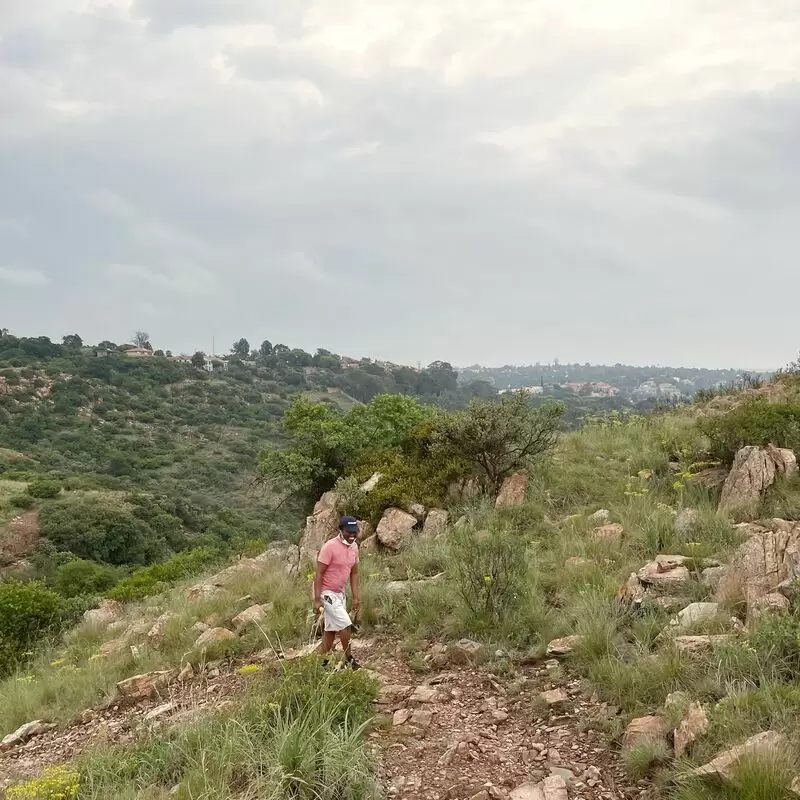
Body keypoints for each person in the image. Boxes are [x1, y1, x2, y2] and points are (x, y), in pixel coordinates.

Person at [313, 515, 361, 668]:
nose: (352, 535)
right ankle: (349, 659)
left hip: (340, 593)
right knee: (345, 624)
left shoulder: (354, 547)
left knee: (330, 631)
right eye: (349, 532)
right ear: (341, 530)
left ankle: (322, 663)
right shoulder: (329, 547)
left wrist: (355, 597)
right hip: (327, 592)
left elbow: (354, 573)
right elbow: (319, 574)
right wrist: (316, 599)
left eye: (355, 532)